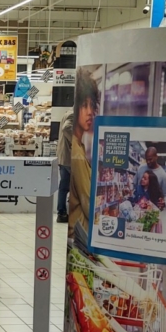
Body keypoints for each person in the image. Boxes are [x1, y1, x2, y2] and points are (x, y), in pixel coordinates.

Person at [69, 70, 98, 241]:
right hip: (81, 235)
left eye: (92, 105)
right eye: (84, 105)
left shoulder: (78, 145)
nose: (90, 112)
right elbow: (88, 203)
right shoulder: (77, 154)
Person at [55, 111, 74, 223]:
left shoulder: (67, 112)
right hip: (70, 157)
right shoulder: (73, 114)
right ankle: (71, 212)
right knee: (77, 186)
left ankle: (61, 213)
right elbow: (66, 128)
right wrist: (78, 141)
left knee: (63, 187)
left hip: (64, 157)